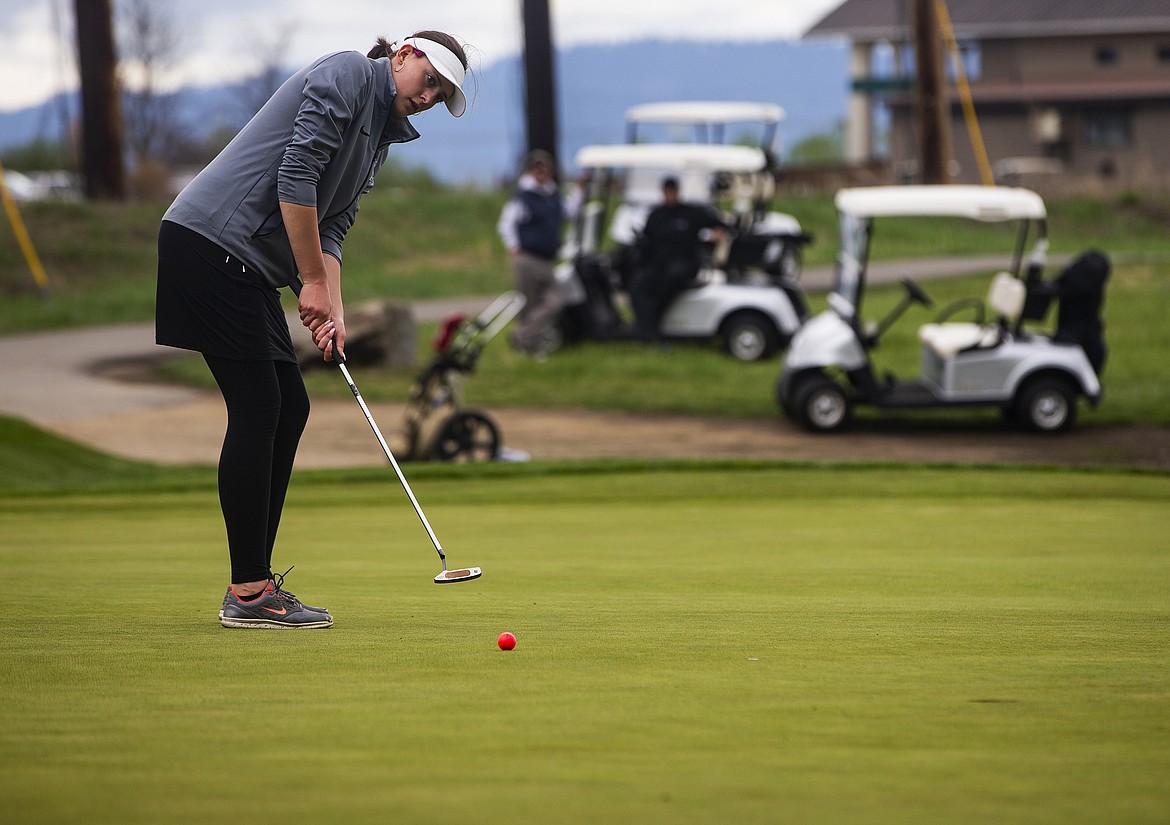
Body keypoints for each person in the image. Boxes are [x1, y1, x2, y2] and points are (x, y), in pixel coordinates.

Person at [155, 31, 470, 629]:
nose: (429, 96)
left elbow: (333, 225)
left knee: (289, 406)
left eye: (441, 93)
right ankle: (248, 592)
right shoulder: (350, 73)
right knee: (260, 406)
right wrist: (310, 283)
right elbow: (294, 179)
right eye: (428, 79)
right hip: (208, 244)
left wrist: (333, 304)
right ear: (400, 55)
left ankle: (255, 582)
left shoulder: (380, 135)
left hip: (243, 265)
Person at [496, 150, 586, 357]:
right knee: (532, 301)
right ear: (531, 170)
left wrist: (579, 190)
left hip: (546, 258)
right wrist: (514, 246)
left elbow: (570, 211)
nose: (541, 172)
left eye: (545, 168)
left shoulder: (552, 195)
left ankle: (523, 336)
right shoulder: (524, 196)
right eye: (537, 168)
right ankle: (526, 343)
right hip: (528, 257)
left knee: (552, 300)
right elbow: (507, 223)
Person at [629, 176, 727, 342]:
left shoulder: (690, 213)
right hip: (658, 265)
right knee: (637, 287)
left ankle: (653, 325)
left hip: (684, 264)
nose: (670, 195)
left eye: (673, 191)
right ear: (663, 192)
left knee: (669, 280)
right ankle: (643, 328)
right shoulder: (656, 215)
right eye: (667, 192)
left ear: (678, 191)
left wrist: (718, 233)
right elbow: (646, 243)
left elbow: (719, 224)